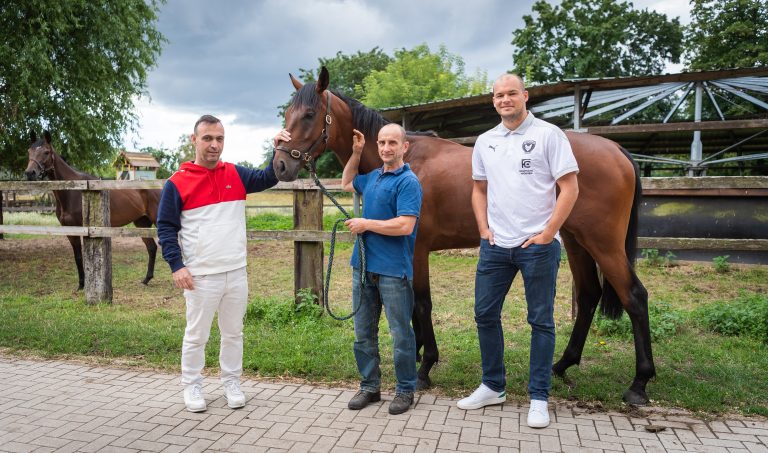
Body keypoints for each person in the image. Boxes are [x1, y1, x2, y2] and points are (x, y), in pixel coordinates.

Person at [457, 74, 579, 429]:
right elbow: (479, 190)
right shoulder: (485, 141)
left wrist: (549, 232)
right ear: (493, 101)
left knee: (540, 320)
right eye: (499, 95)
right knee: (484, 314)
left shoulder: (548, 135)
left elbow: (569, 188)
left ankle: (539, 397)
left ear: (525, 96)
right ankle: (493, 386)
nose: (505, 99)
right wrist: (483, 229)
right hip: (496, 246)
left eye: (512, 93)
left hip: (537, 246)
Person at [157, 114, 279, 412]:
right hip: (200, 276)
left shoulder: (235, 174)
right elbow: (165, 228)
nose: (214, 145)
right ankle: (192, 387)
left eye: (220, 139)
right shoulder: (177, 182)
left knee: (233, 333)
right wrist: (177, 266)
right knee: (197, 334)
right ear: (194, 139)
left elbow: (269, 177)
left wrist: (278, 149)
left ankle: (231, 382)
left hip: (236, 271)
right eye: (208, 138)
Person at [342, 123, 423, 415]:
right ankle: (369, 387)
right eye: (381, 143)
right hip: (362, 267)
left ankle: (405, 390)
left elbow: (405, 225)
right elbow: (347, 182)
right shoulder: (373, 177)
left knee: (401, 334)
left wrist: (366, 224)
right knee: (363, 333)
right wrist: (356, 152)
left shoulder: (408, 182)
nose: (386, 148)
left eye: (392, 142)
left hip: (393, 271)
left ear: (404, 146)